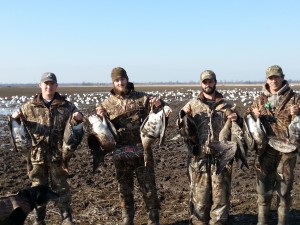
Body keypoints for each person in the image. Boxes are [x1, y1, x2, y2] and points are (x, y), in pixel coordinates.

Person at [96, 67, 167, 225]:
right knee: (124, 189)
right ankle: (127, 218)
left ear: (127, 79)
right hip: (120, 154)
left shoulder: (142, 98)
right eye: (116, 80)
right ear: (113, 82)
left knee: (148, 187)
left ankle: (153, 218)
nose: (120, 82)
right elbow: (103, 130)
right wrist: (101, 117)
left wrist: (159, 103)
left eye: (122, 79)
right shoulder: (106, 104)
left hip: (143, 152)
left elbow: (163, 111)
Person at [11, 72, 84, 225]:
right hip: (37, 156)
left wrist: (78, 118)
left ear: (56, 86)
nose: (48, 86)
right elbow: (16, 129)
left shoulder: (68, 106)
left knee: (61, 188)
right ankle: (39, 219)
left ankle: (66, 218)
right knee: (37, 189)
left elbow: (77, 127)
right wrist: (14, 118)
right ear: (40, 85)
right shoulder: (28, 107)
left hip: (59, 155)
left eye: (52, 83)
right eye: (46, 83)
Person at [179, 70, 243, 225]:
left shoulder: (226, 106)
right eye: (204, 82)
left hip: (221, 159)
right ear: (201, 84)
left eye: (210, 82)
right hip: (199, 160)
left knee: (220, 201)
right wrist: (182, 117)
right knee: (199, 202)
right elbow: (181, 128)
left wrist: (238, 119)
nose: (207, 85)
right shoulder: (192, 104)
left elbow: (238, 130)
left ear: (215, 82)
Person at [248, 65, 300, 225]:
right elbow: (248, 123)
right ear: (267, 80)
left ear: (282, 77)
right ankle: (262, 222)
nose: (274, 80)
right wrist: (251, 114)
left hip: (286, 152)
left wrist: (298, 113)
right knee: (263, 193)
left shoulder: (295, 98)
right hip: (265, 153)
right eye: (271, 77)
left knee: (284, 193)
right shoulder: (259, 100)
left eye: (276, 77)